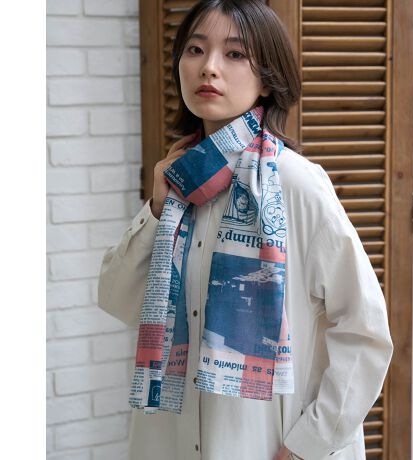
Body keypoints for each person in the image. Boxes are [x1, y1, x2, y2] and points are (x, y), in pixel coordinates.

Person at [97, 1, 394, 459]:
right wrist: (157, 208)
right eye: (196, 49)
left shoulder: (295, 184)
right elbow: (118, 299)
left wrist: (308, 444)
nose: (209, 67)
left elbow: (364, 328)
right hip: (170, 441)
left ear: (268, 78)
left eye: (235, 54)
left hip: (269, 443)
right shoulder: (178, 185)